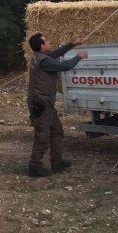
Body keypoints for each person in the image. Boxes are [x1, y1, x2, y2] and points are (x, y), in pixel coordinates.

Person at [26, 33, 88, 177]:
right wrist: (79, 56)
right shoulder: (44, 61)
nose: (49, 42)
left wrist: (73, 44)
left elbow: (55, 53)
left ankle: (57, 162)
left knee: (57, 131)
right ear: (42, 46)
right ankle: (34, 166)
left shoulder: (40, 56)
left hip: (44, 102)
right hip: (41, 103)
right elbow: (65, 66)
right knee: (42, 135)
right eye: (46, 41)